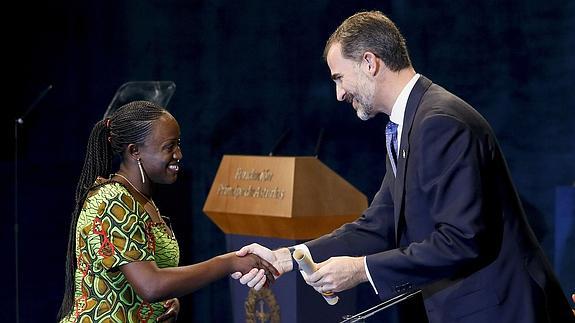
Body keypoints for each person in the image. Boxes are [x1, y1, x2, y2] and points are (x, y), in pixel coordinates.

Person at [232, 10, 575, 323]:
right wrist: (289, 257)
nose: (338, 94)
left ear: (370, 62)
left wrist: (361, 270)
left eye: (339, 78)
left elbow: (461, 240)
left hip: (502, 310)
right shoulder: (406, 123)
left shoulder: (439, 122)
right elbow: (378, 222)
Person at [58, 101, 278, 322]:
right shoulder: (112, 200)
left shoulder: (141, 200)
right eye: (169, 147)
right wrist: (229, 262)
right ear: (135, 151)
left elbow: (144, 286)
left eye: (178, 144)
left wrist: (166, 302)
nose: (179, 154)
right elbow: (151, 286)